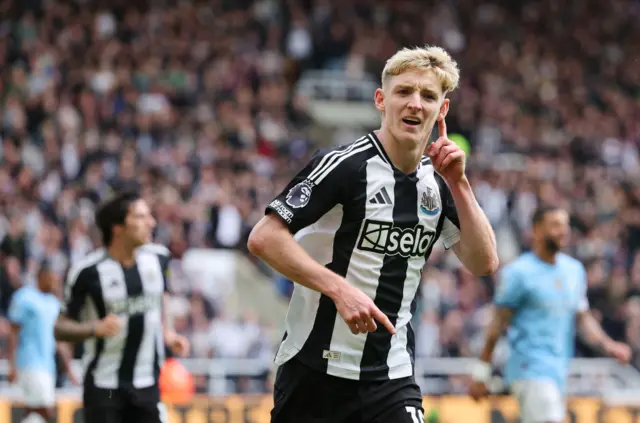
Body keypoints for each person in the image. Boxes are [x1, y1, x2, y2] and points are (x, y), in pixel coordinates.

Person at [248, 45, 499, 423]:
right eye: (404, 92)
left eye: (428, 96)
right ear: (381, 100)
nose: (415, 104)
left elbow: (484, 262)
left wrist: (460, 183)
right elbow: (264, 237)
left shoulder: (440, 183)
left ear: (441, 110)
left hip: (391, 377)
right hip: (316, 371)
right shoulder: (344, 166)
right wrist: (339, 289)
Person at [469, 206, 632, 423]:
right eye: (555, 225)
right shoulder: (518, 273)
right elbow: (496, 326)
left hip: (558, 370)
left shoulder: (574, 271)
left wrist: (608, 344)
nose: (563, 231)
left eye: (565, 226)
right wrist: (482, 373)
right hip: (529, 368)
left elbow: (582, 318)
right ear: (536, 230)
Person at [54, 191, 191, 423]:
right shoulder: (87, 272)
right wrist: (94, 329)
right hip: (104, 387)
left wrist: (167, 333)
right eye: (140, 217)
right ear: (117, 228)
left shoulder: (159, 259)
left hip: (147, 383)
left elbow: (162, 297)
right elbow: (60, 328)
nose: (152, 223)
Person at [8, 262, 77, 423]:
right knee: (46, 410)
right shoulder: (24, 297)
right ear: (42, 276)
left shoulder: (52, 303)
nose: (55, 283)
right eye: (53, 279)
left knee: (34, 411)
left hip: (47, 365)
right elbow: (13, 332)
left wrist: (69, 369)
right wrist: (12, 365)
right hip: (30, 362)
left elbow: (58, 340)